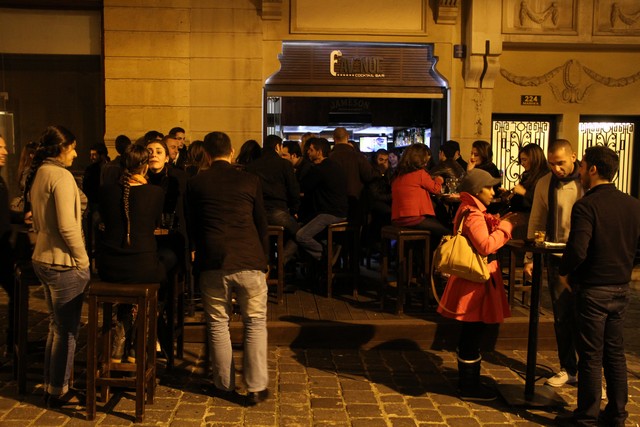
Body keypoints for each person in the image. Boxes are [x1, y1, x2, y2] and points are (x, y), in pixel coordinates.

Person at [556, 146, 640, 427]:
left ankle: (587, 415)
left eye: (581, 167)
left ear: (592, 169)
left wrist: (564, 272)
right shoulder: (632, 204)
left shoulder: (587, 205)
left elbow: (578, 249)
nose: (579, 172)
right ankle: (617, 414)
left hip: (593, 289)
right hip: (620, 287)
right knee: (614, 352)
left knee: (591, 355)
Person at [187, 131, 269, 405]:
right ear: (232, 152)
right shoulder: (249, 180)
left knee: (218, 323)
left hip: (213, 259)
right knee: (255, 322)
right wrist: (264, 259)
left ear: (207, 155)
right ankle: (256, 385)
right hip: (248, 257)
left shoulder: (197, 183)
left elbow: (192, 224)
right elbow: (261, 223)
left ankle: (224, 384)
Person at [436, 169, 522, 401]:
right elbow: (484, 246)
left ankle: (469, 382)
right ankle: (469, 386)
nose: (493, 192)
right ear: (477, 190)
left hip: (473, 280)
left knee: (472, 332)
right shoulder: (473, 213)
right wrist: (506, 227)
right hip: (476, 282)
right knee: (474, 332)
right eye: (489, 187)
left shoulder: (470, 210)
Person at [24, 125, 90, 407]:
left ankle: (53, 385)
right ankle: (59, 390)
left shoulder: (39, 172)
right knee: (67, 330)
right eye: (73, 148)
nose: (75, 154)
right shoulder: (61, 176)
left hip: (42, 256)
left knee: (56, 326)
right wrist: (83, 259)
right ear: (62, 148)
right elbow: (67, 225)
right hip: (62, 261)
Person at [97, 144, 166, 363]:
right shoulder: (155, 193)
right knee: (162, 276)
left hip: (109, 267)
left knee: (132, 282)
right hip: (142, 265)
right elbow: (155, 223)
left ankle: (120, 338)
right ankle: (140, 343)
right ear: (145, 167)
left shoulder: (106, 191)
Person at [525, 139, 584, 388]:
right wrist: (529, 257)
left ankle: (591, 374)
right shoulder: (544, 183)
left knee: (586, 317)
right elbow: (538, 218)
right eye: (552, 163)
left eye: (561, 163)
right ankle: (568, 367)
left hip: (584, 257)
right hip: (556, 256)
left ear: (573, 156)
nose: (556, 168)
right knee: (561, 315)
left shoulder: (587, 180)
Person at [283, 137, 348, 265]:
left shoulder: (319, 169)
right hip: (340, 211)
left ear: (319, 152)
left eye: (311, 150)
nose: (308, 152)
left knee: (301, 235)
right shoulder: (335, 166)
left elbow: (303, 187)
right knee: (300, 230)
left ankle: (327, 255)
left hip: (329, 213)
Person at [391, 143, 448, 248]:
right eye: (425, 160)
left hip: (398, 218)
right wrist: (439, 179)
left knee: (435, 228)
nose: (426, 164)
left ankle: (419, 259)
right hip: (414, 218)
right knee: (447, 233)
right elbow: (436, 189)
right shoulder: (419, 173)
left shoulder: (398, 174)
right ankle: (432, 262)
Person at [245, 135, 300, 241]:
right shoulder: (284, 164)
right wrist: (294, 210)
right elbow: (293, 190)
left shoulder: (251, 167)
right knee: (301, 234)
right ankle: (284, 257)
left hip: (257, 215)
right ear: (277, 147)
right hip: (279, 212)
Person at [329, 127, 377, 223]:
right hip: (355, 203)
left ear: (334, 138)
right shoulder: (358, 156)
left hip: (334, 205)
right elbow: (369, 176)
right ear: (348, 137)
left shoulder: (329, 157)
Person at [509, 143, 549, 213]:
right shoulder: (528, 174)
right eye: (521, 160)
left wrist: (524, 192)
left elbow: (542, 200)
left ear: (534, 158)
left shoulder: (545, 176)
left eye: (524, 160)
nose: (522, 163)